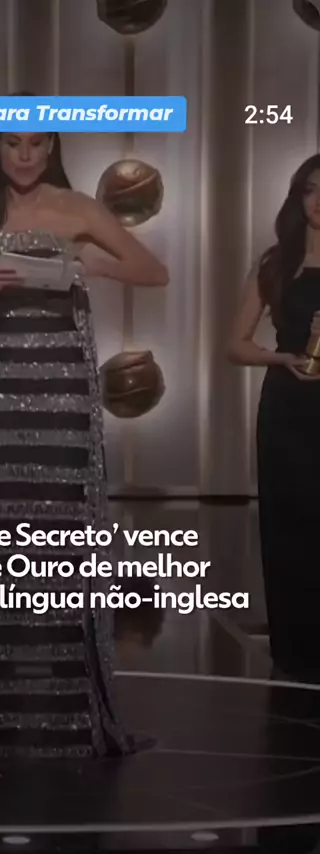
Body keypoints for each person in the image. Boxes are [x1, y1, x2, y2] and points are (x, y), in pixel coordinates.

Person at [0, 126, 169, 766]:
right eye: (12, 145)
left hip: (61, 389)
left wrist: (88, 264)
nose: (25, 156)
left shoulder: (78, 208)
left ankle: (71, 703)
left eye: (37, 145)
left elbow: (154, 270)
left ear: (52, 150)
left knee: (60, 534)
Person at [228, 154, 320, 682]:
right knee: (289, 524)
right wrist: (281, 357)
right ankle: (295, 649)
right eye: (310, 189)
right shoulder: (276, 263)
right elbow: (235, 344)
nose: (318, 201)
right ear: (297, 196)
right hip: (287, 408)